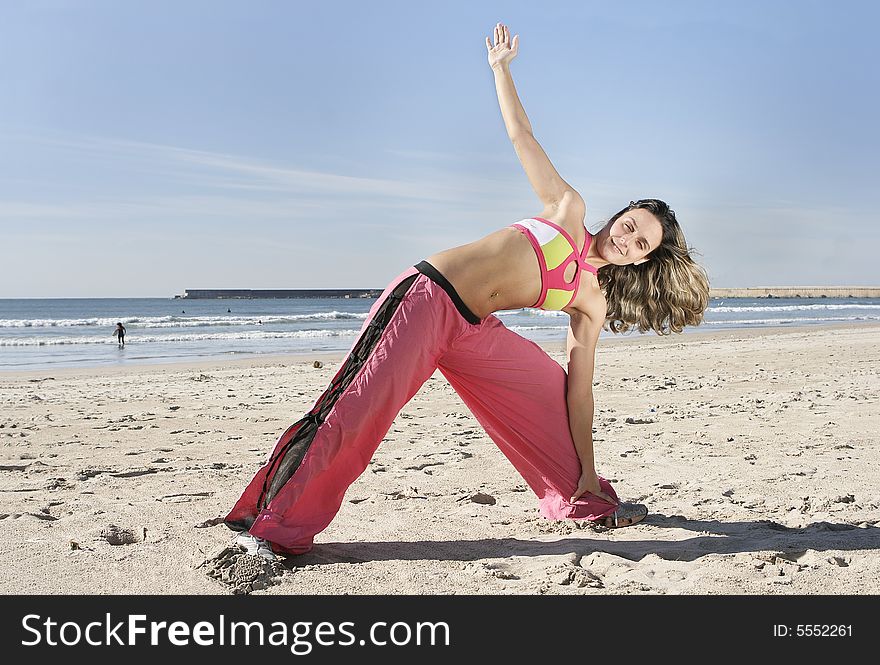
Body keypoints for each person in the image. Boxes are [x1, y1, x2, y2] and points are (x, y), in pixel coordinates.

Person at [224, 23, 710, 561]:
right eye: (630, 225)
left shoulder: (591, 299)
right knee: (358, 413)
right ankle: (271, 524)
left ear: (643, 259)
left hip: (475, 331)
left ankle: (583, 498)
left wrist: (590, 466)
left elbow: (581, 393)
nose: (628, 240)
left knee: (551, 390)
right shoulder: (568, 209)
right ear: (620, 215)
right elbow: (523, 138)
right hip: (427, 298)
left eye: (641, 244)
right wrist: (501, 69)